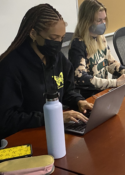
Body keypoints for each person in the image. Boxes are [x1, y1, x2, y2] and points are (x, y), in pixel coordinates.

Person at [0, 4, 93, 140]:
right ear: (33, 34)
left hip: (54, 132)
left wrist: (78, 101)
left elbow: (68, 91)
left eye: (61, 38)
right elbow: (6, 119)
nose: (58, 43)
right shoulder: (10, 66)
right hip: (24, 136)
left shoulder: (57, 58)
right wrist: (52, 118)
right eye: (53, 38)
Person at [69, 0, 125, 99]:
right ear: (87, 21)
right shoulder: (78, 45)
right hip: (88, 98)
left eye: (104, 19)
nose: (103, 23)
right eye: (99, 20)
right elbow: (81, 78)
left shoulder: (101, 38)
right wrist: (115, 82)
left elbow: (111, 64)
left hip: (104, 93)